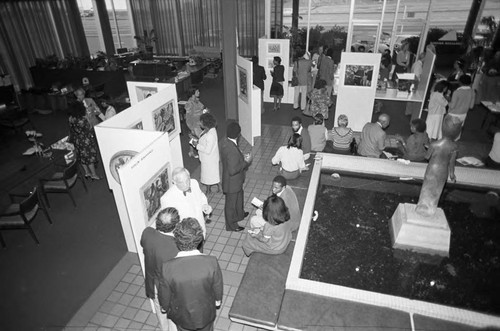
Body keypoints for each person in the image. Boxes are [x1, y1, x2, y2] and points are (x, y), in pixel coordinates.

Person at [159, 218, 223, 331]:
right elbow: (217, 285)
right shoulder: (211, 262)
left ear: (177, 240)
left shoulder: (167, 267)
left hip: (183, 317)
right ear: (199, 239)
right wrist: (217, 300)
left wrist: (164, 307)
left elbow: (165, 294)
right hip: (206, 314)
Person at [140, 208, 180, 331]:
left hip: (153, 284)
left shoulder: (147, 233)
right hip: (168, 290)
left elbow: (143, 244)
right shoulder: (176, 246)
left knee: (160, 312)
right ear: (176, 225)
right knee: (173, 316)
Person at [160, 167, 211, 238]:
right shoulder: (167, 199)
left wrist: (204, 205)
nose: (186, 184)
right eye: (181, 182)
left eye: (187, 180)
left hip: (200, 230)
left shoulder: (194, 183)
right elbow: (168, 225)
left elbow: (201, 195)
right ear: (174, 182)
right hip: (186, 238)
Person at [220, 122, 251, 232]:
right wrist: (246, 162)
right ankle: (231, 225)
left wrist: (241, 156)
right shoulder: (232, 149)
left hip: (234, 182)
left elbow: (230, 161)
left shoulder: (226, 142)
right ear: (238, 134)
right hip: (232, 182)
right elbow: (233, 170)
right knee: (230, 205)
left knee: (239, 198)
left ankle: (240, 214)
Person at [67, 101, 101, 180]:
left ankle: (87, 173)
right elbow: (89, 128)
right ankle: (94, 174)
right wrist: (87, 118)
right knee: (89, 158)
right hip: (85, 140)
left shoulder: (71, 118)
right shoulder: (82, 119)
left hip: (77, 140)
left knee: (82, 157)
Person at [193, 113, 220, 191]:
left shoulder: (210, 135)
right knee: (208, 174)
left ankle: (214, 188)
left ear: (205, 123)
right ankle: (211, 188)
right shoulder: (209, 130)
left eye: (200, 122)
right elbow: (203, 139)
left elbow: (207, 150)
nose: (199, 123)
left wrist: (197, 145)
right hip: (209, 158)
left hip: (209, 158)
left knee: (211, 175)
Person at [447, 74, 474, 141]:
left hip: (453, 114)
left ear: (460, 82)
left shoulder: (457, 92)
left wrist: (447, 100)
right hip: (463, 114)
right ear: (470, 83)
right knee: (458, 129)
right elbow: (471, 106)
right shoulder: (472, 92)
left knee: (449, 131)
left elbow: (452, 106)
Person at [185, 88, 205, 158]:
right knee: (200, 138)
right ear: (193, 93)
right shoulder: (189, 104)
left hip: (199, 122)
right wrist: (191, 127)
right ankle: (200, 153)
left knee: (193, 137)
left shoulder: (196, 100)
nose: (199, 92)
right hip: (194, 124)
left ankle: (191, 152)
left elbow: (200, 108)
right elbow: (188, 117)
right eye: (197, 91)